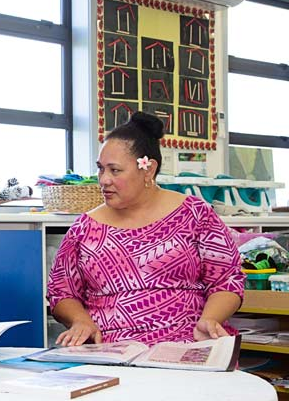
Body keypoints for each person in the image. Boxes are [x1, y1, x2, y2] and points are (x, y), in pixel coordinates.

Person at [47, 111, 244, 347]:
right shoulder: (84, 228)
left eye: (115, 170)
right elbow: (61, 292)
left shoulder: (195, 215)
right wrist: (80, 321)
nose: (103, 179)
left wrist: (210, 319)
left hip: (186, 345)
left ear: (148, 169)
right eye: (101, 169)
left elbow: (227, 280)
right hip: (106, 351)